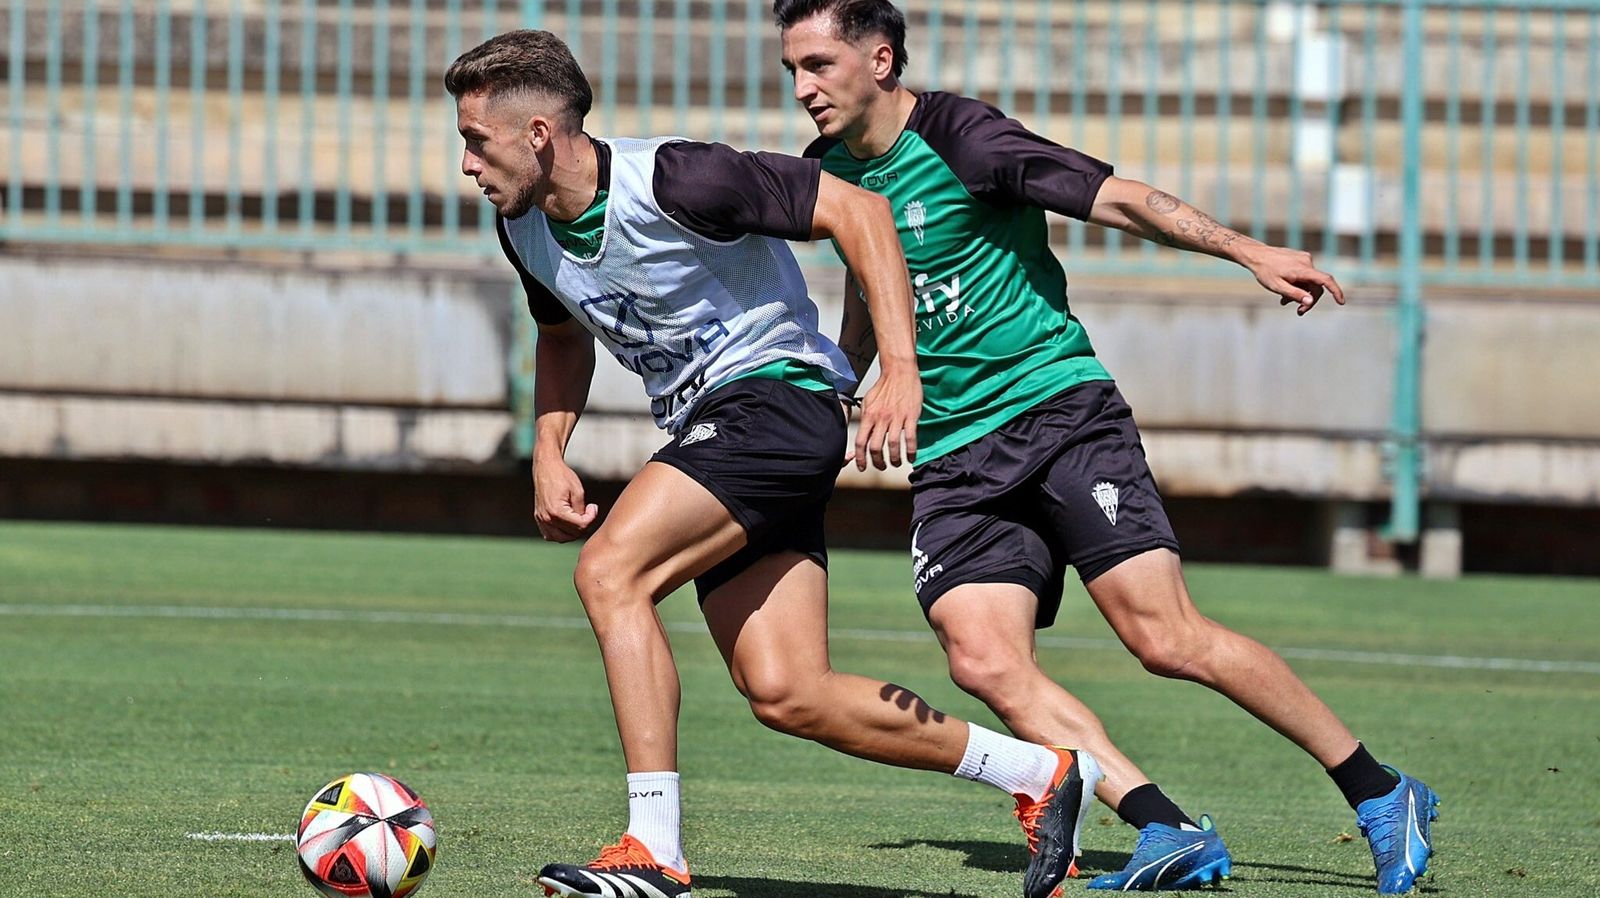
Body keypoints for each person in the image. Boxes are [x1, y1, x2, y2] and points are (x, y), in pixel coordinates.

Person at [773, 2, 1438, 893]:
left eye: (819, 64)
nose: (803, 87)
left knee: (1164, 638)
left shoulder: (967, 139)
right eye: (793, 70)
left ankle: (1382, 790)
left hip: (1056, 415)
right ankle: (1166, 828)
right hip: (955, 455)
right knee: (982, 660)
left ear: (881, 58)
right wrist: (848, 379)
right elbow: (873, 284)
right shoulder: (830, 173)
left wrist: (1247, 250)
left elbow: (1118, 197)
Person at [446, 29, 1103, 898]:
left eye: (475, 141)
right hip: (716, 432)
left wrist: (899, 369)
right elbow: (562, 334)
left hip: (774, 402)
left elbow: (860, 213)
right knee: (789, 691)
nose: (466, 164)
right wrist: (549, 453)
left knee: (612, 574)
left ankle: (653, 849)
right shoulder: (522, 228)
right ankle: (1037, 773)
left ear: (536, 134)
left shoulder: (681, 178)